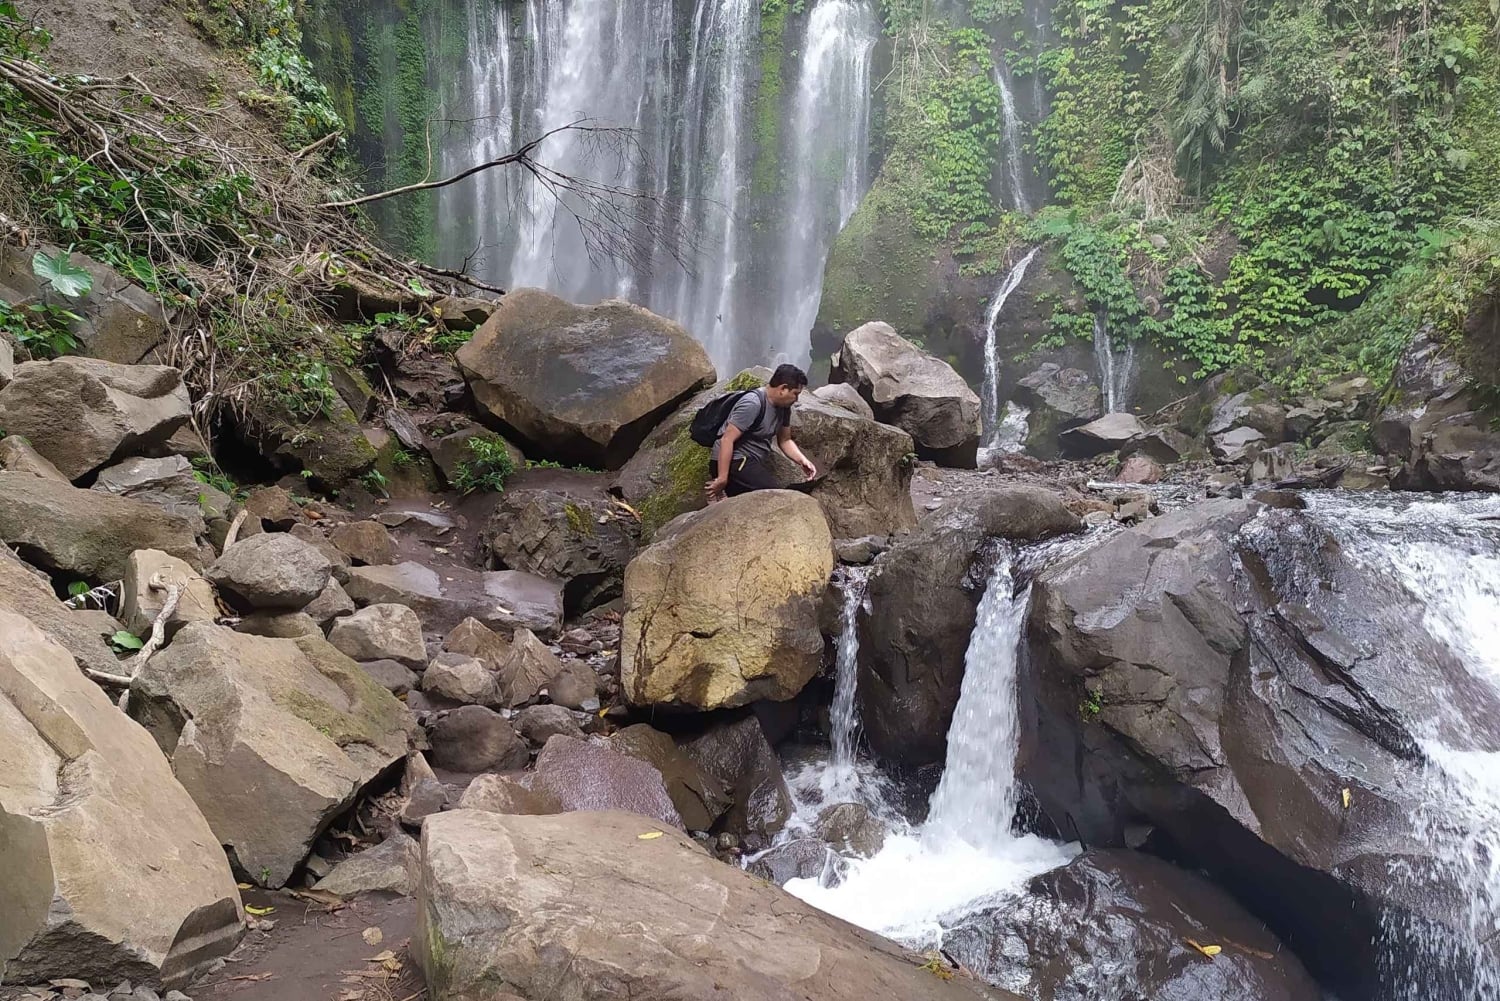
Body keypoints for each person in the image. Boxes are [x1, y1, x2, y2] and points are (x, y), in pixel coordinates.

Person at [705, 364, 818, 502]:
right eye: (795, 393)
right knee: (772, 494)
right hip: (734, 460)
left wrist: (803, 461)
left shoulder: (784, 408)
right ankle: (720, 493)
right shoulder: (753, 403)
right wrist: (722, 478)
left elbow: (785, 440)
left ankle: (724, 499)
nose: (797, 399)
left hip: (750, 462)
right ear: (783, 388)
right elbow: (726, 439)